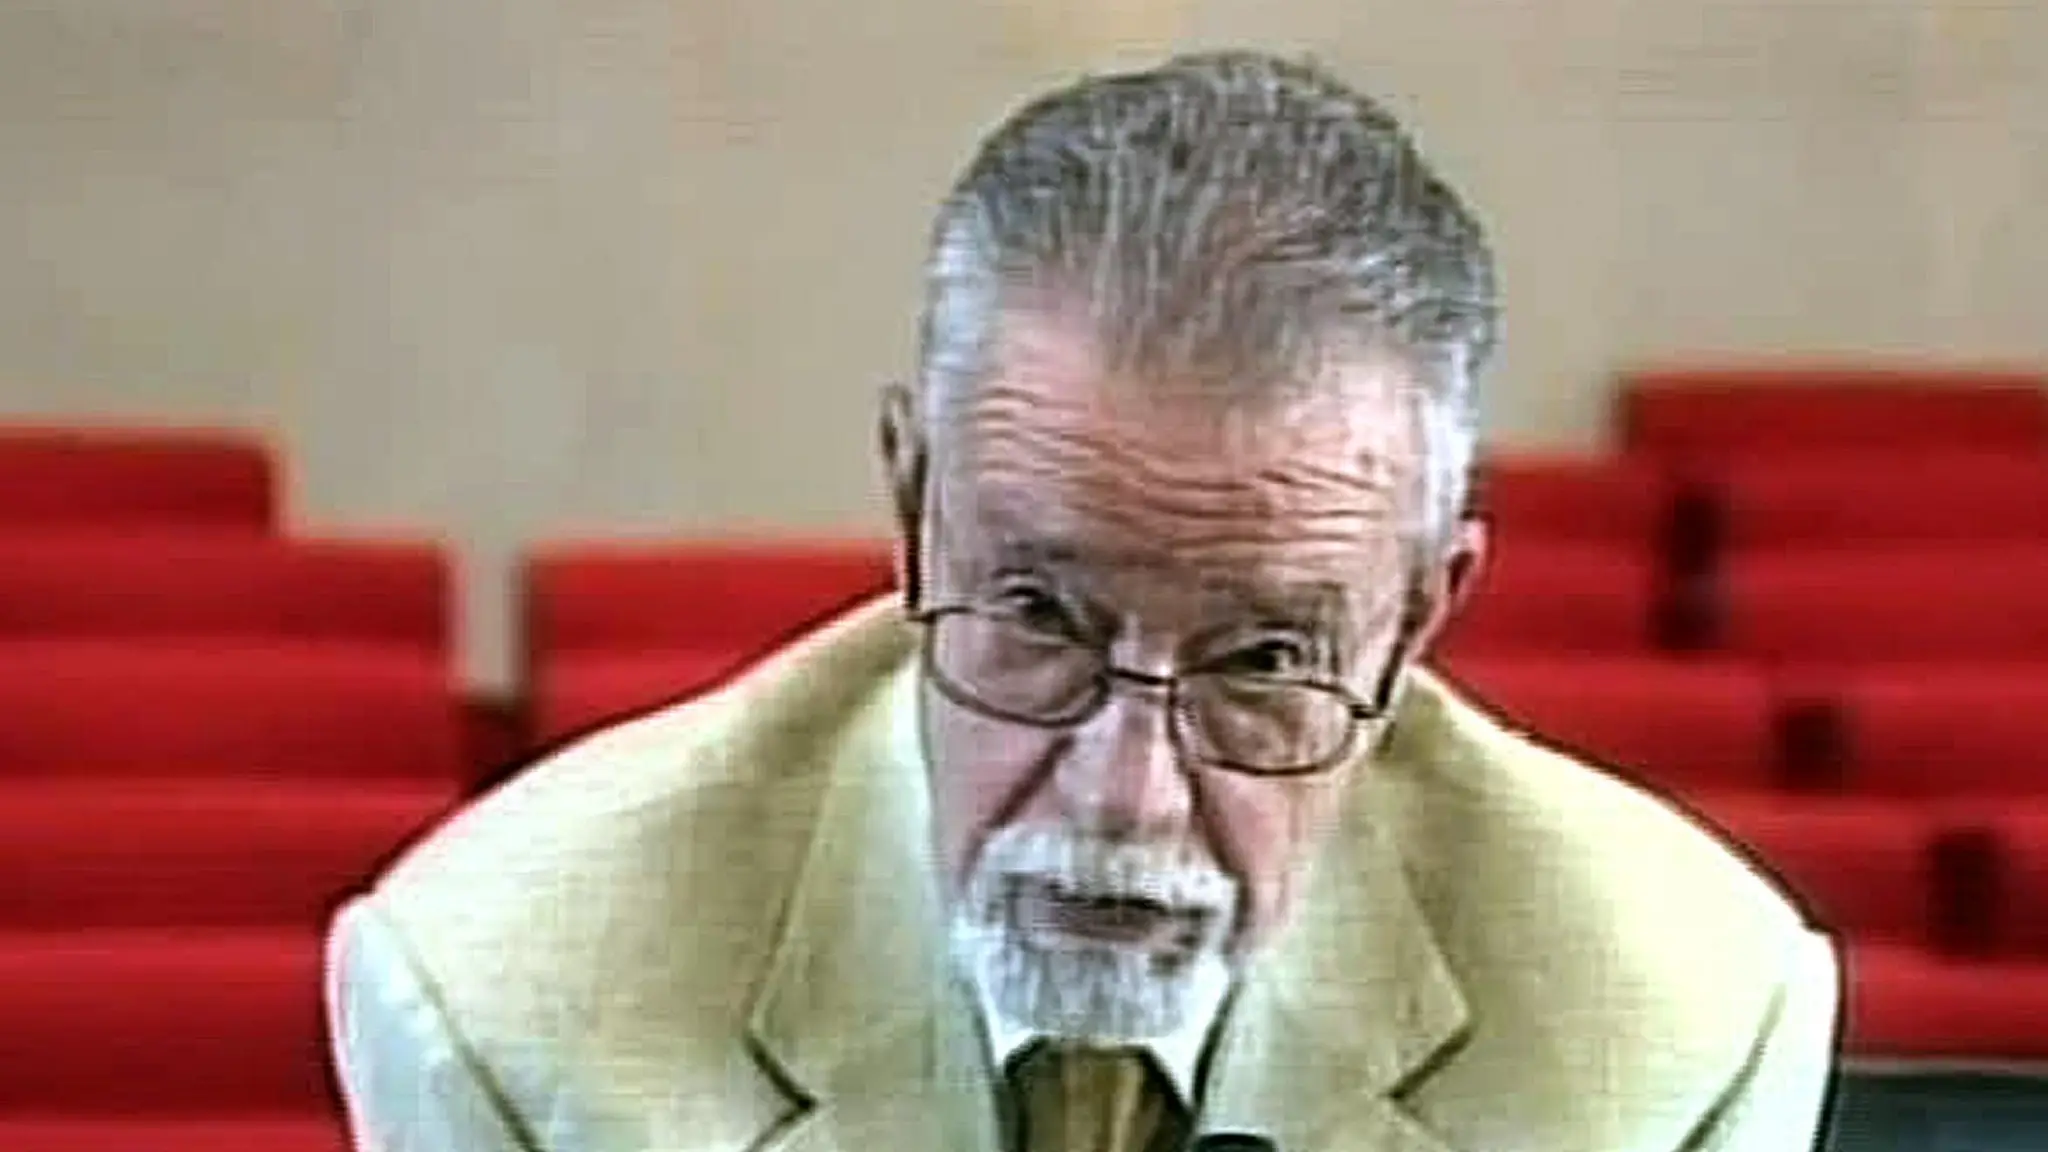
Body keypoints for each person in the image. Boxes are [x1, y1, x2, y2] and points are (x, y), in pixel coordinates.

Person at [325, 50, 1841, 1152]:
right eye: (1043, 620)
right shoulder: (508, 999)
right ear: (915, 519)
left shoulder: (1678, 1020)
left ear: (1416, 622)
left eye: (1263, 660)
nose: (1125, 799)